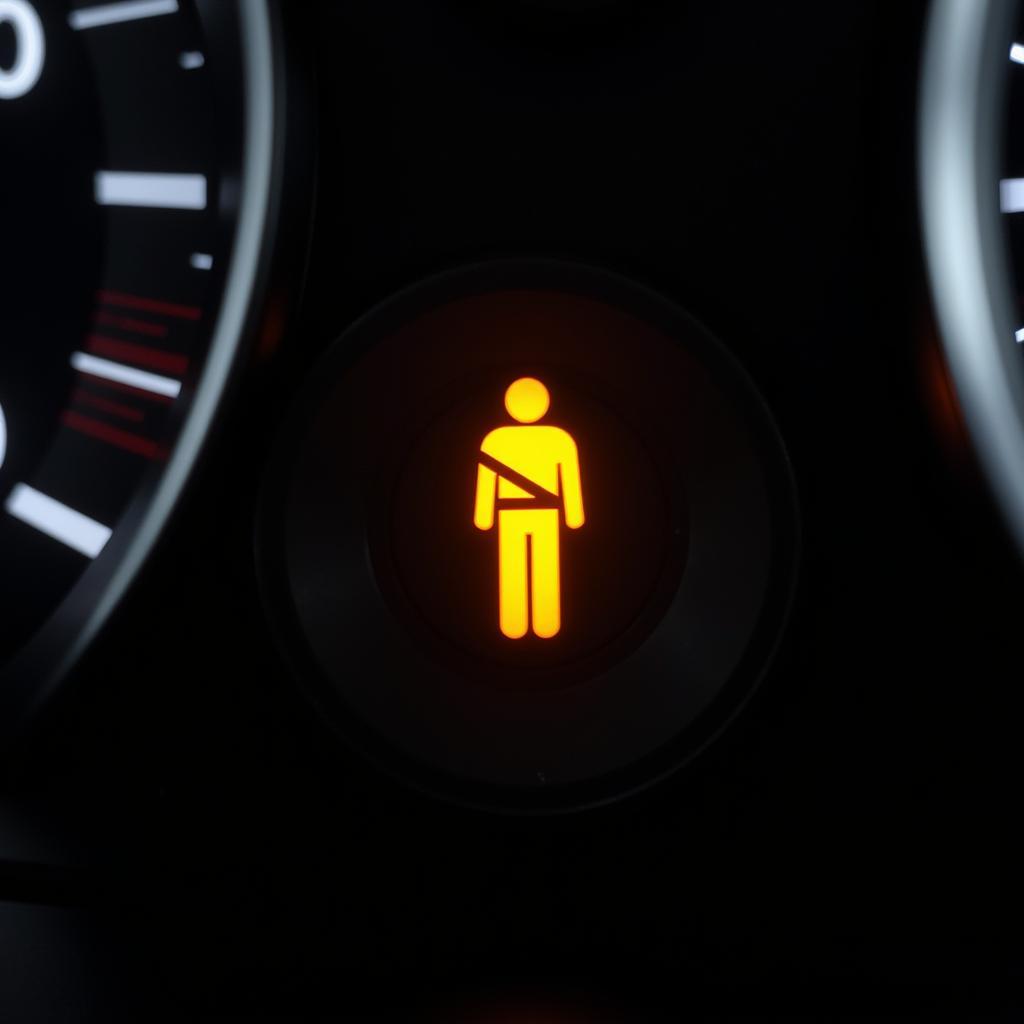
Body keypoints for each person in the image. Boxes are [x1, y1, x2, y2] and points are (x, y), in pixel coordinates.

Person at [473, 377, 584, 639]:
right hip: (542, 513)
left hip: (513, 514)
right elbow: (570, 482)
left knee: (517, 566)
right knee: (542, 564)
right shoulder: (559, 439)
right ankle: (541, 625)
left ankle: (517, 624)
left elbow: (486, 484)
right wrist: (573, 517)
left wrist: (484, 518)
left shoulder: (495, 440)